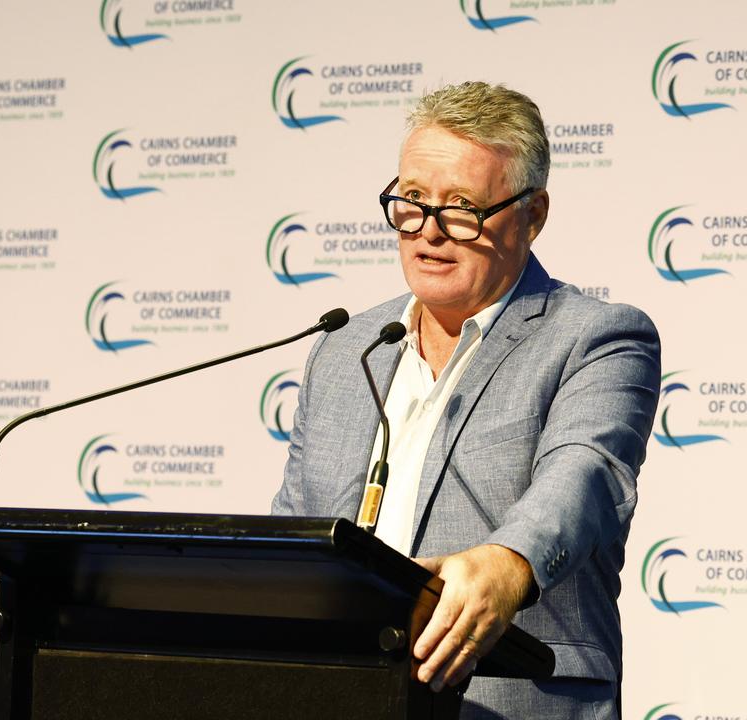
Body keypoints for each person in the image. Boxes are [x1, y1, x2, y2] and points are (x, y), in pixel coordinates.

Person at [272, 81, 661, 719]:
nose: (429, 232)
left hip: (507, 700)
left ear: (532, 215)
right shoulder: (345, 349)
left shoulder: (596, 338)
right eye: (412, 200)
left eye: (461, 207)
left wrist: (508, 562)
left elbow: (584, 474)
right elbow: (296, 526)